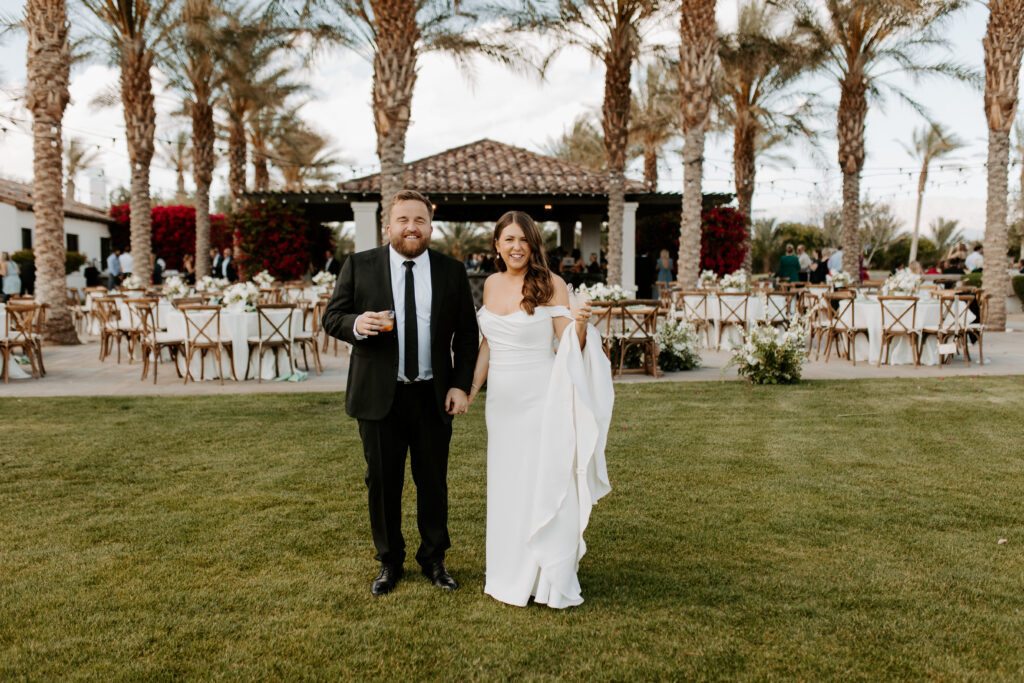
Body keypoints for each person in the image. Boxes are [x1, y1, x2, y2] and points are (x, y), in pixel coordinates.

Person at [322, 189, 478, 597]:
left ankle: (434, 559)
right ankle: (389, 562)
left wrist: (461, 386)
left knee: (433, 481)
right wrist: (359, 324)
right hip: (378, 395)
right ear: (387, 226)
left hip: (432, 395)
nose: (412, 227)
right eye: (403, 220)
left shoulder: (450, 271)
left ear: (430, 226)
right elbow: (332, 317)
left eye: (420, 220)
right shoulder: (360, 265)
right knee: (382, 482)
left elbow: (466, 336)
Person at [470, 210, 613, 609]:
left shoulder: (551, 284)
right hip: (501, 406)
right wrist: (471, 389)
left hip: (540, 399)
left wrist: (582, 322)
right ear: (497, 245)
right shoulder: (491, 284)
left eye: (524, 240)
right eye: (509, 240)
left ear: (533, 244)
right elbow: (488, 345)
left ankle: (546, 576)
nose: (517, 247)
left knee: (543, 481)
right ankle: (508, 571)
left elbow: (570, 345)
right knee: (508, 486)